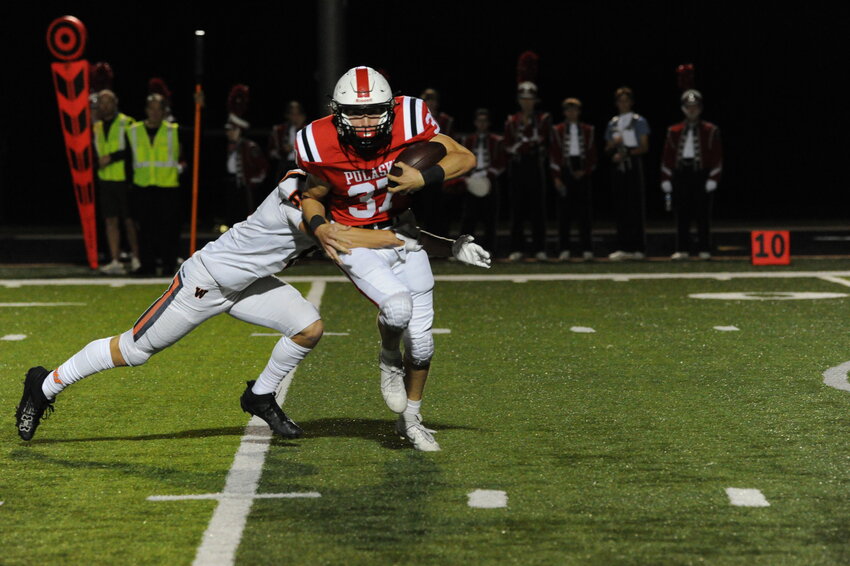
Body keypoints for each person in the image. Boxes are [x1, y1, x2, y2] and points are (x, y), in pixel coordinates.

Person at [14, 170, 490, 442]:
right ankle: (45, 384)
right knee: (135, 351)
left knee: (309, 327)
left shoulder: (329, 193)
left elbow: (380, 227)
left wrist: (449, 246)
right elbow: (342, 236)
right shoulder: (297, 196)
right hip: (208, 281)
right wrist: (403, 238)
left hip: (251, 282)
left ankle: (259, 396)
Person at [297, 66, 478, 451]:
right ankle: (387, 356)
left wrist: (422, 179)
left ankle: (411, 419)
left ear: (391, 108)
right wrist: (319, 226)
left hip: (401, 233)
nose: (364, 123)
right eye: (355, 113)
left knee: (424, 343)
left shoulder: (411, 119)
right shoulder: (318, 140)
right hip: (355, 239)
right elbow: (312, 194)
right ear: (336, 111)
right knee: (396, 310)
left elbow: (464, 157)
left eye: (374, 111)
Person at [661, 89, 723, 260]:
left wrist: (713, 178)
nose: (692, 110)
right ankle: (682, 249)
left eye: (695, 106)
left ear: (700, 108)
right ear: (683, 108)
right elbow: (668, 156)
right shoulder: (674, 130)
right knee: (682, 213)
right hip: (681, 174)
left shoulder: (710, 130)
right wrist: (666, 178)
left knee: (703, 214)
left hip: (701, 174)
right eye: (689, 106)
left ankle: (704, 248)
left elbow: (717, 156)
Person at [128, 93, 185, 275]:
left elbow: (185, 155)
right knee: (145, 229)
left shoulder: (174, 130)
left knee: (168, 229)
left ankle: (169, 265)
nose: (154, 112)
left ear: (163, 111)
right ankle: (148, 265)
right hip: (142, 186)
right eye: (151, 108)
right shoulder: (133, 130)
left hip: (167, 186)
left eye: (158, 109)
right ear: (146, 110)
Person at [92, 89, 142, 274]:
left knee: (129, 221)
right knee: (110, 220)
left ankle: (136, 258)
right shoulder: (96, 127)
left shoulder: (127, 122)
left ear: (116, 103)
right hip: (105, 179)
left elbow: (134, 150)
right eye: (102, 102)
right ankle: (115, 259)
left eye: (108, 102)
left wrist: (111, 157)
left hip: (124, 179)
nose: (105, 106)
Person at [504, 81, 552, 261]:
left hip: (536, 167)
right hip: (517, 167)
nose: (527, 103)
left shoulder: (543, 119)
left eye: (530, 99)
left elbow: (544, 141)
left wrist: (526, 144)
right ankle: (517, 248)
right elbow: (508, 146)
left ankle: (539, 248)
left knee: (538, 209)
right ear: (519, 100)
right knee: (517, 209)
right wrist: (525, 145)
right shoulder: (511, 120)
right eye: (524, 99)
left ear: (535, 101)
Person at [549, 98, 597, 261]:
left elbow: (592, 155)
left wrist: (585, 171)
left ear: (579, 111)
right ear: (564, 112)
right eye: (568, 110)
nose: (572, 113)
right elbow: (554, 155)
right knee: (564, 214)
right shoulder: (558, 130)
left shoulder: (588, 130)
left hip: (582, 172)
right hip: (565, 172)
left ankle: (587, 249)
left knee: (584, 213)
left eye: (575, 110)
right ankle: (564, 249)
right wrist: (556, 177)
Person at [605, 87, 650, 261]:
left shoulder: (639, 121)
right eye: (620, 101)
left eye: (626, 100)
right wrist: (613, 148)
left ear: (631, 102)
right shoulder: (613, 123)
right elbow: (607, 147)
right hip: (618, 167)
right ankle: (623, 247)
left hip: (633, 164)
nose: (623, 104)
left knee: (635, 206)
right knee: (621, 206)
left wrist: (628, 153)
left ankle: (638, 247)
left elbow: (645, 147)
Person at [461, 108, 504, 255]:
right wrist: (466, 178)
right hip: (472, 180)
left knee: (490, 218)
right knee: (468, 218)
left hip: (490, 181)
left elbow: (501, 162)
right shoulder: (468, 140)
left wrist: (489, 174)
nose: (482, 124)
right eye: (479, 121)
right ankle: (464, 250)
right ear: (475, 123)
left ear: (488, 123)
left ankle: (490, 249)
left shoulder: (496, 141)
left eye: (484, 121)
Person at [224, 112, 268, 227]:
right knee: (232, 214)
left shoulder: (250, 146)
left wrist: (253, 180)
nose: (229, 133)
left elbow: (263, 167)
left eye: (232, 130)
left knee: (246, 215)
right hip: (232, 183)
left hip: (246, 187)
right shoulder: (230, 146)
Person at [268, 101, 307, 181]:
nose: (295, 117)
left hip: (302, 166)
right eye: (292, 114)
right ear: (287, 115)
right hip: (284, 166)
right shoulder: (279, 130)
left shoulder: (307, 129)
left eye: (298, 114)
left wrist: (300, 127)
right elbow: (271, 152)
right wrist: (282, 150)